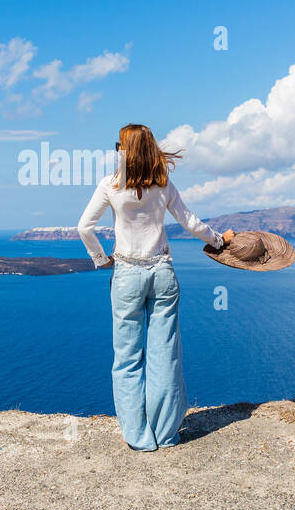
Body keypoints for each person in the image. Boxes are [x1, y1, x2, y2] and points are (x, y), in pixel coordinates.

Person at [77, 123, 234, 451]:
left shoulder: (110, 184)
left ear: (124, 150)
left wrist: (100, 259)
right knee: (165, 356)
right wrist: (220, 241)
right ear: (150, 149)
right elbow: (190, 222)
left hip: (126, 275)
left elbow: (84, 227)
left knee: (127, 357)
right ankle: (164, 434)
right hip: (162, 273)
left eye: (118, 145)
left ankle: (138, 436)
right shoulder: (163, 184)